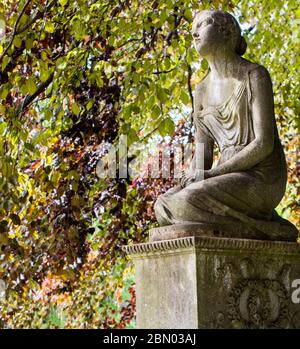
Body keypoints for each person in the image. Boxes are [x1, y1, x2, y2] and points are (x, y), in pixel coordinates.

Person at [153, 10, 298, 241]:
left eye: (202, 25)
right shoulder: (200, 91)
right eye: (194, 27)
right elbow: (203, 154)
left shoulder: (254, 76)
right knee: (163, 205)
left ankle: (265, 229)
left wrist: (212, 174)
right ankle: (257, 225)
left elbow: (263, 144)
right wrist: (190, 178)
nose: (194, 32)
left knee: (186, 202)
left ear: (227, 32)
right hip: (224, 174)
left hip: (260, 174)